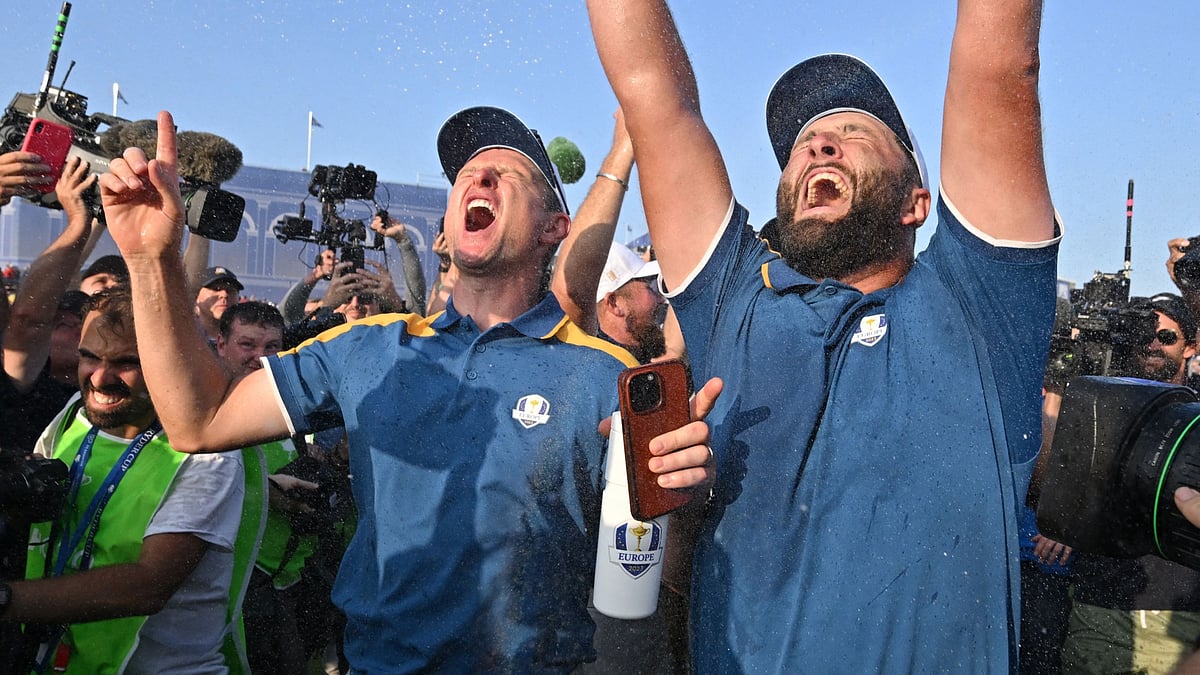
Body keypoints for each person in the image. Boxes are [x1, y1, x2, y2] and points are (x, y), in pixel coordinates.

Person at [98, 109, 718, 672]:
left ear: (554, 227)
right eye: (468, 174)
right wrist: (150, 259)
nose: (480, 178)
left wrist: (684, 496)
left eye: (508, 174)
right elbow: (199, 420)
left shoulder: (607, 375)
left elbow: (666, 574)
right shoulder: (369, 347)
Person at [588, 0, 1059, 671]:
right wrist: (680, 498)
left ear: (916, 202)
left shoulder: (978, 308)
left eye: (853, 132)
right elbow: (654, 96)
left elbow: (1000, 63)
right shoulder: (734, 303)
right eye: (802, 144)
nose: (817, 144)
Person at [0, 288, 247, 674]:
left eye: (126, 362)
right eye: (89, 356)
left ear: (171, 362)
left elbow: (149, 585)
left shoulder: (209, 452)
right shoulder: (76, 411)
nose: (100, 378)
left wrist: (6, 600)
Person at [1059, 293, 1200, 674]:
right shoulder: (1101, 399)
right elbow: (1067, 476)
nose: (1152, 345)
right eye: (1142, 335)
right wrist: (1061, 518)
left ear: (1191, 346)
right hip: (1098, 605)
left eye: (1166, 337)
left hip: (1180, 617)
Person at [194, 265, 242, 343]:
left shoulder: (247, 339)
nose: (224, 295)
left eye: (230, 290)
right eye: (216, 289)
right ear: (196, 296)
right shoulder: (182, 334)